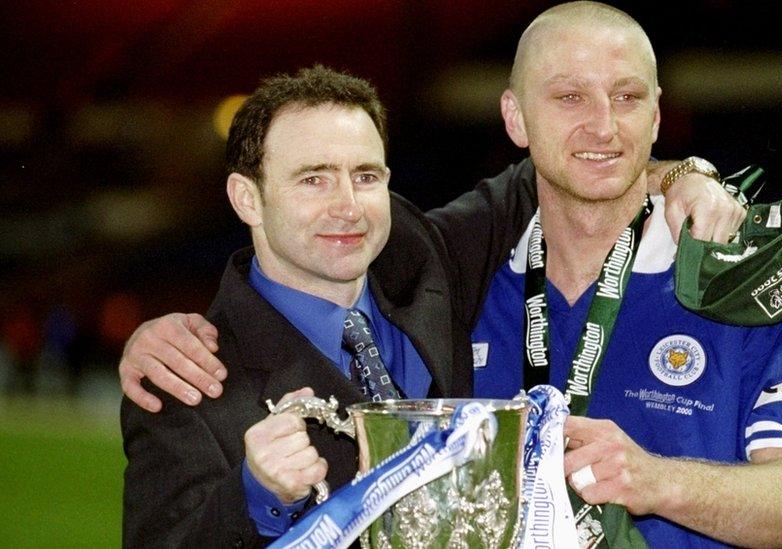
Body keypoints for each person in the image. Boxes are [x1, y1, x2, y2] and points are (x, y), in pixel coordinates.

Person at [120, 62, 738, 546]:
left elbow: (561, 171)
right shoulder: (185, 379)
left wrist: (685, 175)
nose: (347, 205)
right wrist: (255, 495)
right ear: (247, 199)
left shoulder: (424, 259)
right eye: (313, 179)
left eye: (366, 175)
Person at [469, 2, 782, 548]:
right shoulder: (465, 287)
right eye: (569, 97)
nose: (603, 126)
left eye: (626, 98)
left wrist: (656, 481)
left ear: (654, 116)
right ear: (515, 117)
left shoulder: (743, 283)